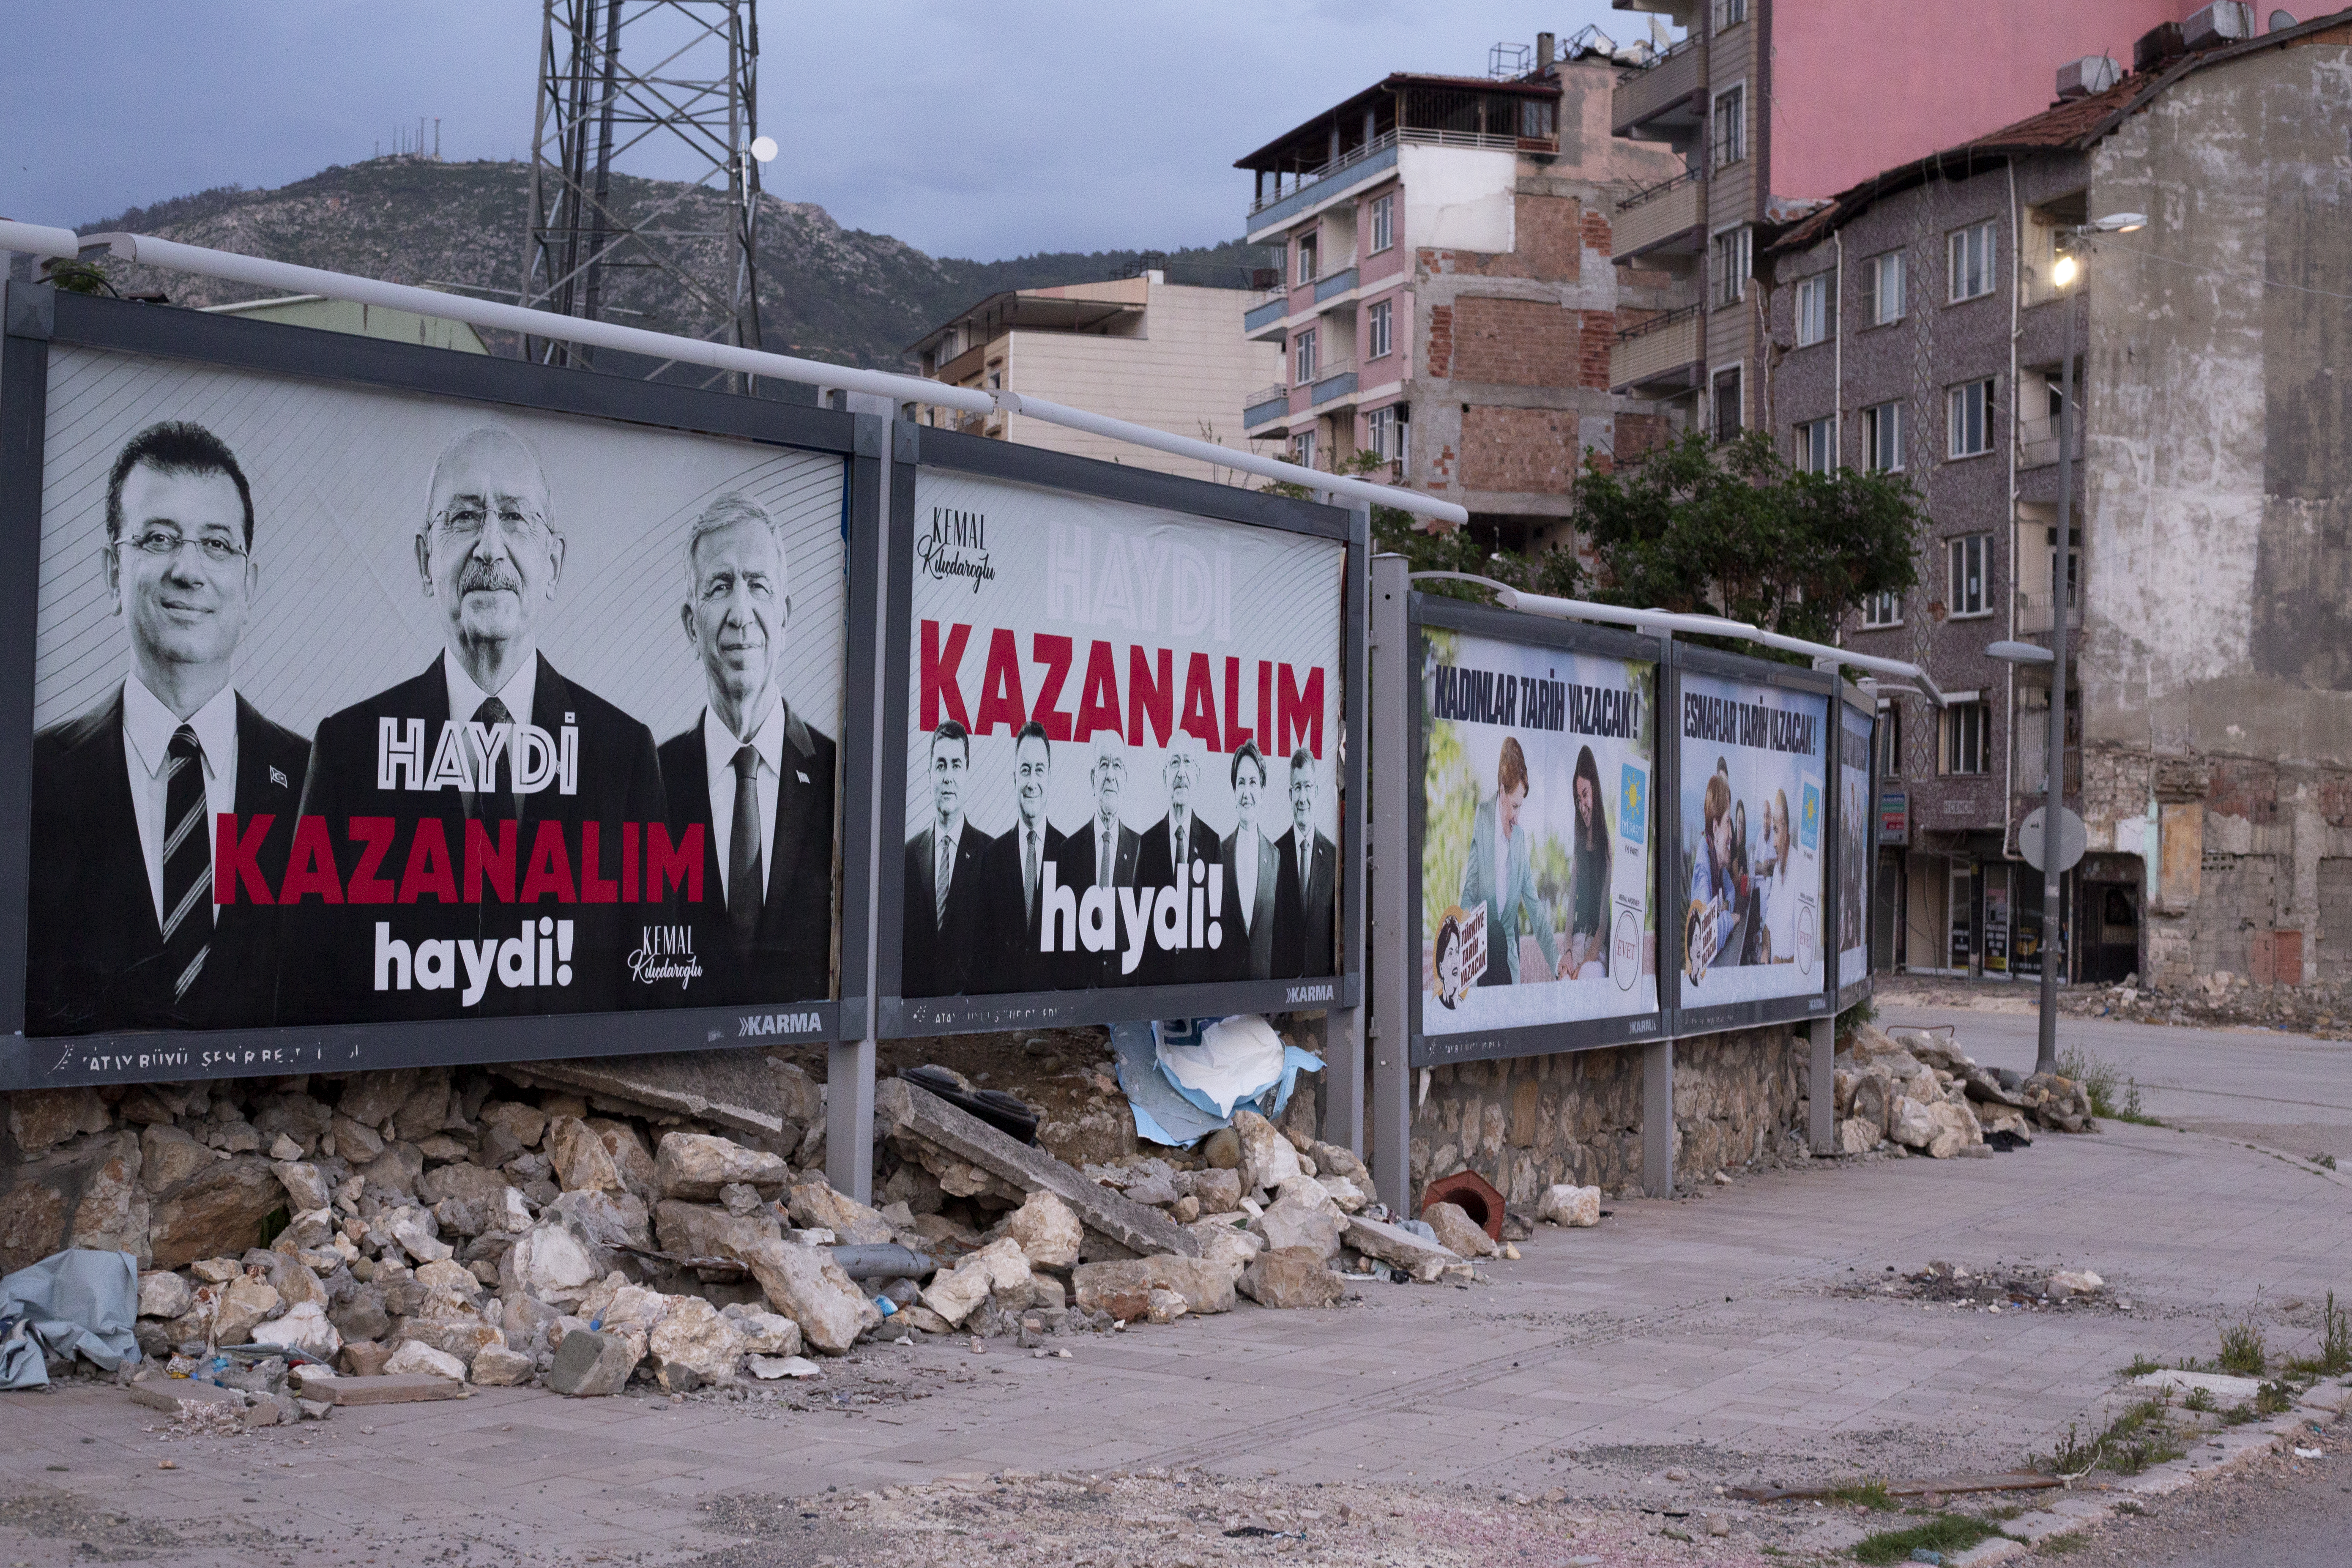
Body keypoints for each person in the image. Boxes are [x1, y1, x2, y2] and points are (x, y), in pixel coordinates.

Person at [288, 425, 666, 1021]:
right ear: (424, 559)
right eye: (464, 519)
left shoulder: (623, 755)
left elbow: (652, 986)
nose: (490, 548)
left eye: (515, 518)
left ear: (554, 561)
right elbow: (306, 990)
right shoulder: (347, 751)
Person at [27, 422, 310, 1034]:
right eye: (158, 539)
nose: (189, 570)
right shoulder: (32, 777)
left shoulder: (320, 784)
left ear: (249, 584)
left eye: (216, 544)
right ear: (111, 575)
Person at [655, 493, 837, 1005]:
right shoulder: (650, 781)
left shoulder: (839, 777)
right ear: (693, 624)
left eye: (757, 585)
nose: (740, 612)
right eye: (719, 586)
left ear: (784, 617)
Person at [1457, 736, 1564, 985]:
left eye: (1521, 807)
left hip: (1505, 964)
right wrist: (1464, 919)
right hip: (1479, 954)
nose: (1517, 817)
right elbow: (1470, 887)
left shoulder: (1520, 840)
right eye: (1515, 806)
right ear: (1502, 792)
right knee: (1492, 931)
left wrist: (1557, 963)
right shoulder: (1483, 818)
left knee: (1499, 934)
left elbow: (1535, 908)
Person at [902, 720, 991, 996]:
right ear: (929, 775)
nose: (948, 777)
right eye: (941, 766)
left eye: (956, 765)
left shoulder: (991, 855)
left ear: (967, 774)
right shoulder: (908, 855)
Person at [980, 721, 1072, 992]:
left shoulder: (1071, 854)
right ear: (1015, 778)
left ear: (1050, 777)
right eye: (1025, 770)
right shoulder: (992, 858)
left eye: (1039, 771)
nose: (1032, 782)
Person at [1133, 735, 1222, 986]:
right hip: (1156, 989)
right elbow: (1139, 932)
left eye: (1187, 763)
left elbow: (1217, 929)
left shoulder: (1212, 843)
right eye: (1174, 763)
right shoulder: (1148, 843)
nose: (1181, 773)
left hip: (1198, 990)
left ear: (1197, 775)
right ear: (1164, 777)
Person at [1069, 732, 1140, 985]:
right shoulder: (1068, 852)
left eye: (1117, 765)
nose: (1110, 775)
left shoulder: (1143, 851)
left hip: (1127, 1005)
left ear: (1125, 779)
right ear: (1092, 778)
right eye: (1103, 765)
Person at [1217, 741, 1288, 981]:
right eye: (1241, 783)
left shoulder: (1276, 857)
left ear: (1263, 790)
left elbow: (1279, 936)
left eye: (1253, 783)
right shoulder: (1218, 853)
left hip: (1263, 992)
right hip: (1224, 993)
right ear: (1234, 791)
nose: (1247, 793)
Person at [1274, 746, 1337, 979]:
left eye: (1308, 787)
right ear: (1290, 794)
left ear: (1317, 791)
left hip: (1322, 990)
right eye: (1297, 788)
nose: (1303, 798)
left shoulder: (1333, 856)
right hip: (1283, 994)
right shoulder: (1273, 855)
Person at [1685, 771, 1739, 983]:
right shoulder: (1704, 870)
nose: (1732, 835)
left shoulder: (1716, 857)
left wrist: (1723, 907)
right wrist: (1729, 919)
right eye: (1728, 823)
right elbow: (1704, 948)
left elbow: (1732, 892)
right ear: (1716, 828)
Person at [1567, 744, 1612, 977]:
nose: (1582, 806)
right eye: (1578, 799)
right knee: (1564, 981)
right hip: (1576, 945)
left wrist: (1586, 962)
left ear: (1595, 789)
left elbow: (1604, 921)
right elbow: (1571, 906)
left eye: (1585, 794)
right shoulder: (1578, 849)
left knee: (1588, 977)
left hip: (1598, 952)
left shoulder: (1607, 849)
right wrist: (1567, 953)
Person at [1759, 788, 1801, 965]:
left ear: (1787, 829)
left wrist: (1780, 962)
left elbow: (1804, 952)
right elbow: (1769, 924)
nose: (1774, 843)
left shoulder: (1799, 869)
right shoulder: (1778, 871)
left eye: (1776, 830)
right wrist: (1766, 952)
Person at [1431, 914, 1465, 1010]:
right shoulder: (1435, 1007)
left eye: (1457, 952)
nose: (1455, 960)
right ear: (1441, 968)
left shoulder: (1464, 1007)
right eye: (1450, 954)